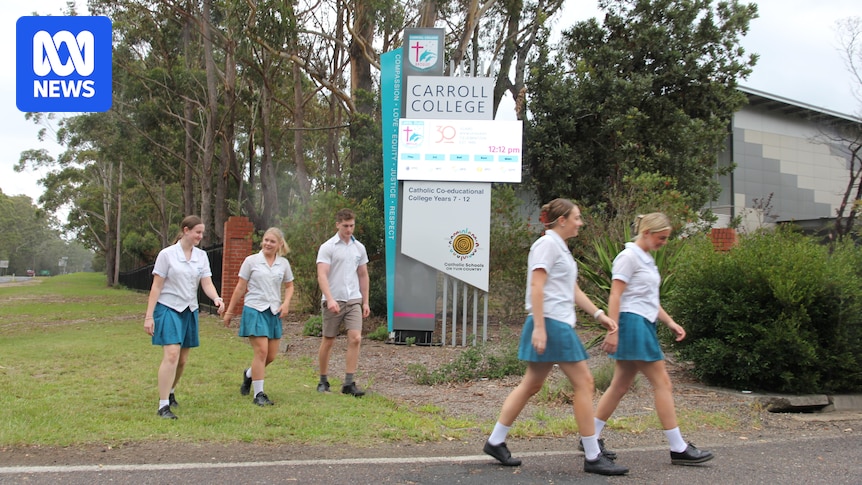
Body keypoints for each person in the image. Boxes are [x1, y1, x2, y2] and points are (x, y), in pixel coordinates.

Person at [483, 199, 629, 476]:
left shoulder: (559, 247)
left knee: (531, 384)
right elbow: (536, 286)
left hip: (553, 321)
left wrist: (599, 314)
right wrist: (539, 327)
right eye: (577, 217)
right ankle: (593, 454)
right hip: (551, 323)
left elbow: (571, 289)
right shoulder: (547, 245)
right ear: (561, 220)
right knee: (584, 383)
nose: (580, 222)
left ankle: (495, 441)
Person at [595, 212, 714, 465]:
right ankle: (678, 447)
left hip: (641, 322)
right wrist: (613, 330)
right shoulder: (628, 256)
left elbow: (649, 299)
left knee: (620, 386)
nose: (664, 242)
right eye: (661, 237)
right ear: (646, 233)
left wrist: (670, 322)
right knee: (663, 384)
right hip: (633, 323)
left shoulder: (646, 259)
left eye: (666, 238)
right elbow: (616, 295)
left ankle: (590, 437)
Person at [144, 215, 224, 420]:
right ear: (186, 230)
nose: (200, 236)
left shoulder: (201, 256)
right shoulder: (167, 255)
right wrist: (149, 316)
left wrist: (216, 298)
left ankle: (170, 391)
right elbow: (157, 286)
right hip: (168, 307)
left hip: (189, 309)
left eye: (202, 233)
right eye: (198, 232)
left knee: (182, 361)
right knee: (171, 354)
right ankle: (163, 406)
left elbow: (206, 282)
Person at [221, 227, 295, 406]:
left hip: (273, 312)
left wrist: (286, 303)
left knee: (270, 356)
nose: (268, 244)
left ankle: (248, 375)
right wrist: (230, 311)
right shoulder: (251, 261)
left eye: (272, 241)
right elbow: (240, 287)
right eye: (266, 240)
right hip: (254, 309)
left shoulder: (283, 264)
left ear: (279, 245)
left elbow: (290, 286)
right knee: (261, 352)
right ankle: (259, 394)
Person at [315, 208, 370, 397]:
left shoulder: (358, 248)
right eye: (345, 226)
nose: (349, 229)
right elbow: (322, 274)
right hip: (334, 299)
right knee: (328, 340)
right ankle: (323, 380)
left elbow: (363, 274)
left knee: (355, 338)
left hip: (353, 299)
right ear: (338, 224)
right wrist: (329, 298)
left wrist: (365, 301)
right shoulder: (328, 247)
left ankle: (349, 383)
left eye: (352, 225)